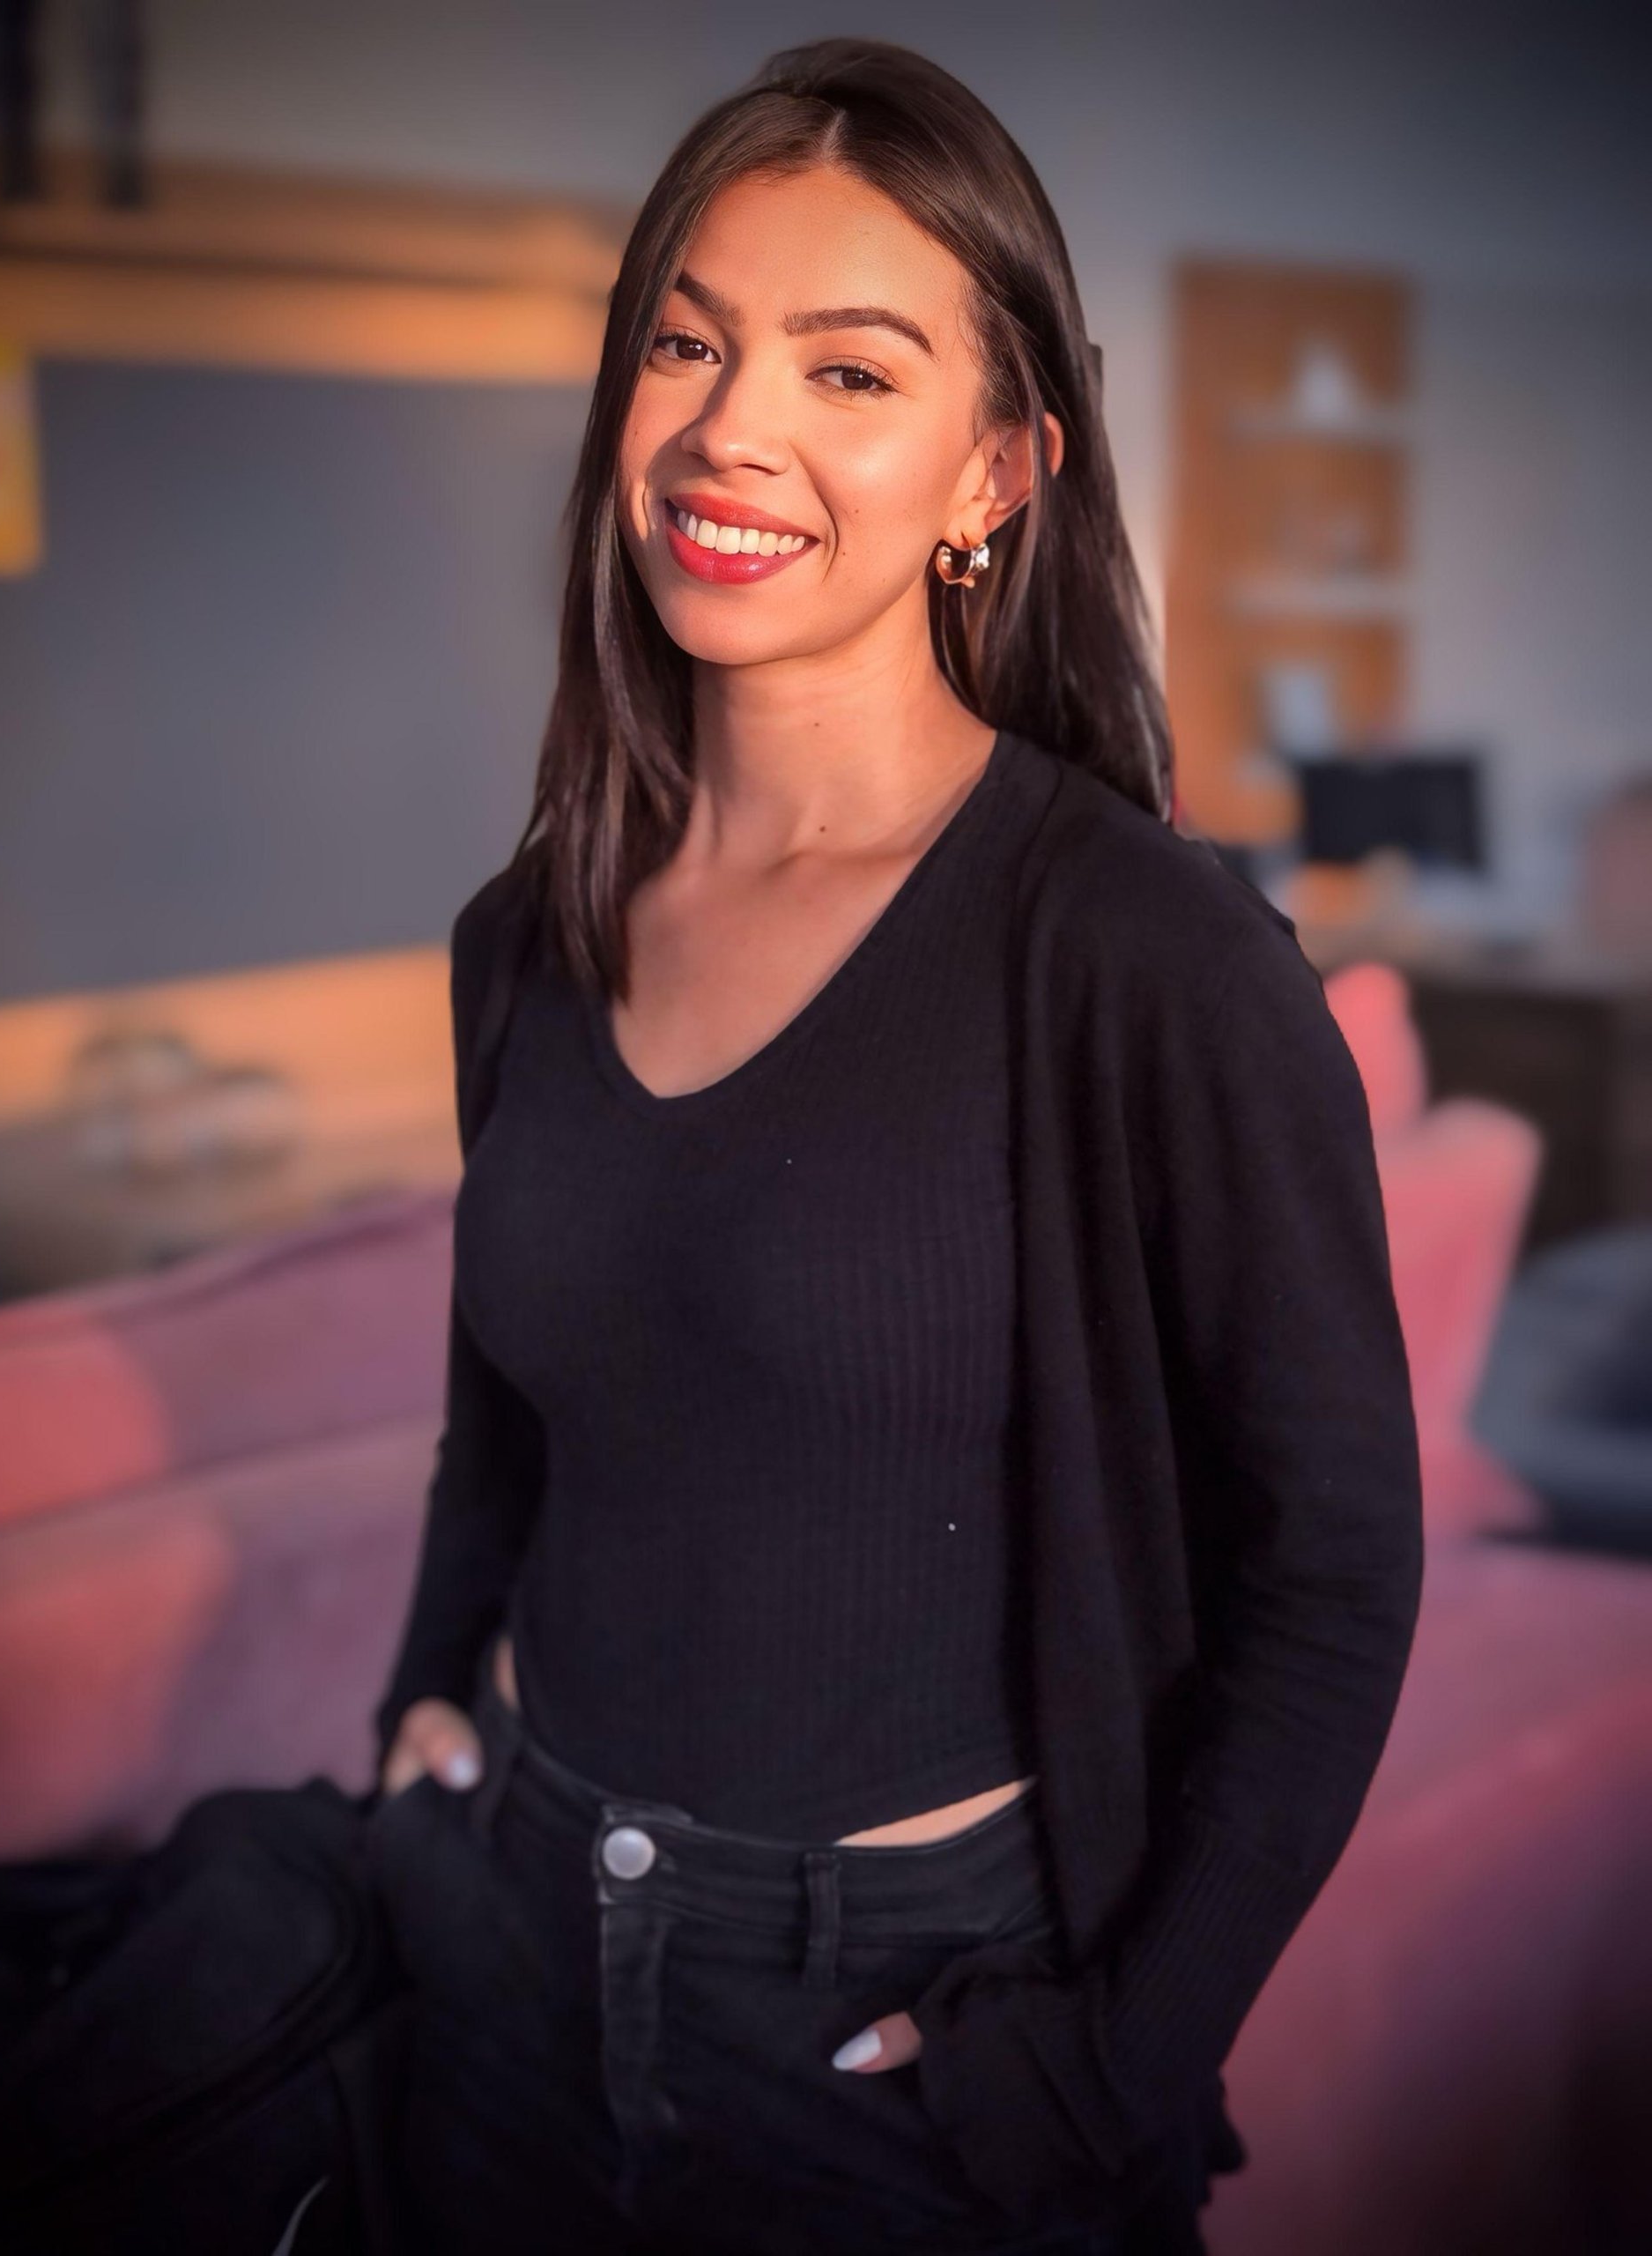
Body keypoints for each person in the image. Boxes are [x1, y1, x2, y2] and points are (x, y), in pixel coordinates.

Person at [367, 36, 1425, 2256]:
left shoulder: (1145, 953)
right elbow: (512, 1414)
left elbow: (1330, 1571)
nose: (731, 425)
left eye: (851, 371)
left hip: (905, 2023)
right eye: (686, 338)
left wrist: (1115, 2054)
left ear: (998, 469)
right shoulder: (525, 937)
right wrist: (427, 1696)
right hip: (520, 1949)